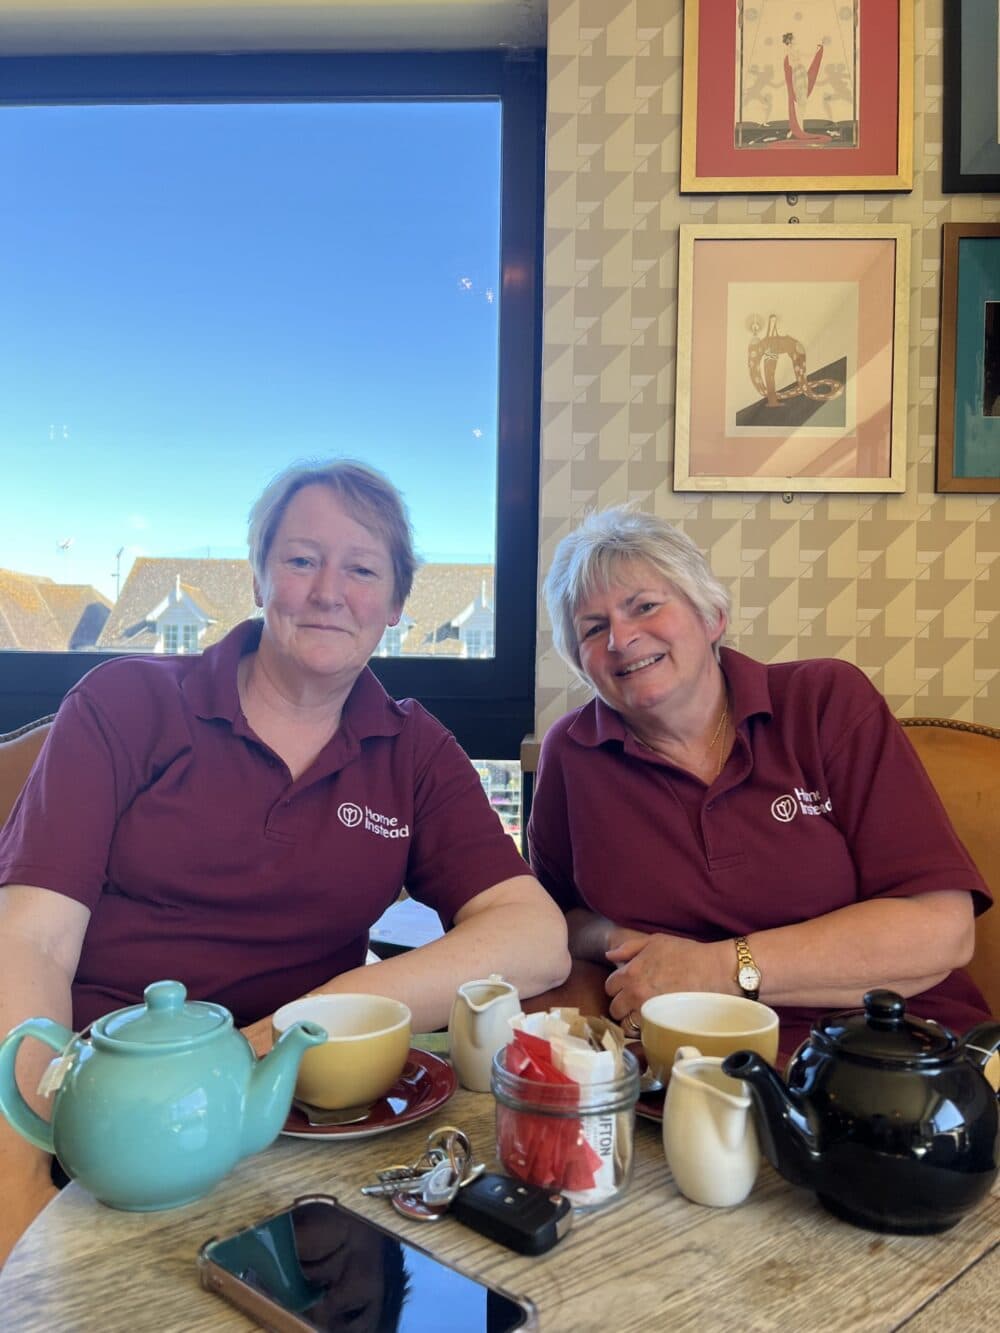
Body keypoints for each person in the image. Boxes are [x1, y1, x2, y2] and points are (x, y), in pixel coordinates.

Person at [0, 459, 569, 1267]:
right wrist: (20, 1169)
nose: (329, 590)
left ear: (398, 604)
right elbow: (32, 945)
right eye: (302, 559)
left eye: (363, 568)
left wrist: (315, 1016)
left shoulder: (412, 749)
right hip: (105, 1129)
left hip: (304, 1129)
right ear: (261, 574)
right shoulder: (125, 703)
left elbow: (536, 936)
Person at [528, 505, 992, 1057]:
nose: (621, 639)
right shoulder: (573, 752)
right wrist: (612, 938)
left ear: (711, 617)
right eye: (593, 628)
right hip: (686, 1062)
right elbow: (555, 922)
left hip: (890, 1054)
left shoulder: (825, 702)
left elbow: (942, 927)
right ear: (582, 663)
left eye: (645, 606)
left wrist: (722, 967)